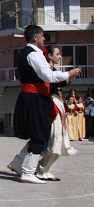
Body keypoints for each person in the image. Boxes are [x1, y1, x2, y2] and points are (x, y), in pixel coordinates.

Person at [7, 25, 80, 184]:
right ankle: (27, 171)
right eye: (42, 36)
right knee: (40, 134)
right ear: (35, 37)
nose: (44, 39)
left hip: (34, 96)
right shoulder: (34, 54)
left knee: (39, 133)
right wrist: (69, 73)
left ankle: (20, 165)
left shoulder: (28, 53)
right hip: (34, 97)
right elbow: (47, 75)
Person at [36, 46, 74, 181]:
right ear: (50, 56)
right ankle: (41, 169)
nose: (60, 56)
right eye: (57, 54)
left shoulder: (53, 71)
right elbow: (52, 83)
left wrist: (69, 77)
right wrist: (68, 76)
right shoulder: (47, 72)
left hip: (57, 105)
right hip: (52, 106)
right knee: (54, 139)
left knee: (57, 139)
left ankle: (44, 169)